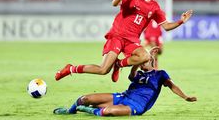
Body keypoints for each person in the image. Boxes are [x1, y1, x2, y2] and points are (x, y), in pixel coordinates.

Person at [55, 0, 193, 82]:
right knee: (103, 70)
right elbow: (114, 3)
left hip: (132, 40)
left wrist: (181, 21)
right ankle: (71, 69)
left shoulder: (155, 7)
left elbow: (167, 26)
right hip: (117, 35)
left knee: (145, 56)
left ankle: (119, 64)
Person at [53, 47, 197, 117]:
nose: (143, 63)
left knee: (108, 112)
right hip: (123, 97)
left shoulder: (160, 74)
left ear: (151, 60)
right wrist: (136, 63)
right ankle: (70, 111)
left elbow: (172, 86)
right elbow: (131, 76)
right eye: (141, 62)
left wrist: (185, 97)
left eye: (145, 60)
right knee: (84, 99)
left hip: (137, 106)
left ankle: (88, 110)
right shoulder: (138, 73)